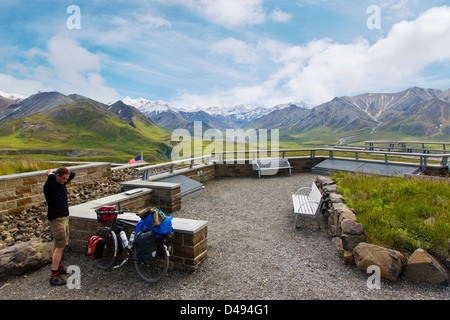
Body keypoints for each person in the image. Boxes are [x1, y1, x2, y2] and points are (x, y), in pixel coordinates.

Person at [43, 167, 76, 286]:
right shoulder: (50, 186)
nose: (65, 181)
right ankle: (54, 275)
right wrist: (50, 173)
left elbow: (72, 174)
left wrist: (65, 175)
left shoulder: (60, 183)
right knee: (61, 245)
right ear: (57, 176)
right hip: (56, 219)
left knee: (57, 243)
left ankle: (58, 265)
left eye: (65, 179)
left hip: (63, 218)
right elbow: (51, 176)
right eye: (63, 178)